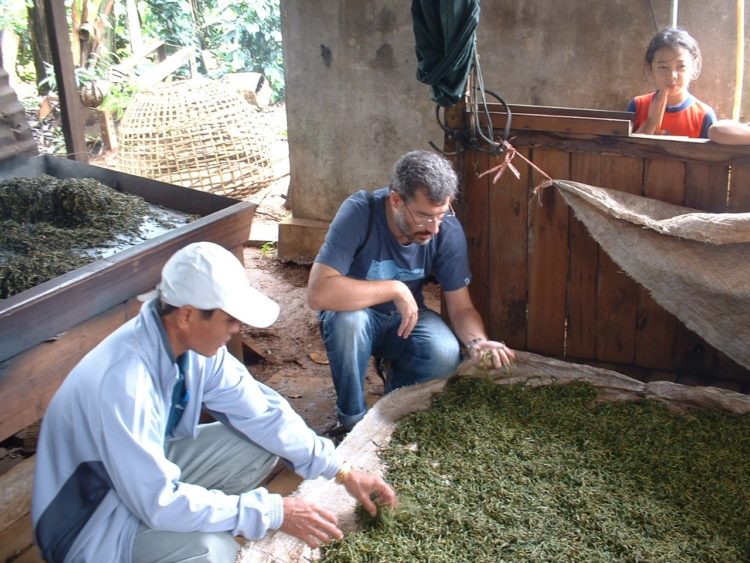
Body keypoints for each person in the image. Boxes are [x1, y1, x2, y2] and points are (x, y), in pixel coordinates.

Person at [32, 241, 396, 563]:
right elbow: (158, 500)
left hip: (133, 478)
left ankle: (185, 524)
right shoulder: (124, 382)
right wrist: (270, 512)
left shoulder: (194, 349)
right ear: (187, 314)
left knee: (258, 443)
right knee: (213, 550)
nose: (236, 330)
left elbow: (263, 415)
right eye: (229, 319)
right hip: (90, 521)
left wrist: (343, 472)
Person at [307, 150, 516, 435]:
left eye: (441, 215)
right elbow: (319, 292)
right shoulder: (361, 212)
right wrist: (395, 288)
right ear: (395, 200)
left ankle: (390, 413)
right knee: (348, 323)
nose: (433, 227)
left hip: (407, 320)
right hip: (357, 318)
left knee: (445, 351)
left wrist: (477, 342)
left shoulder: (445, 230)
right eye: (423, 216)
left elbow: (461, 307)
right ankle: (351, 421)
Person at [627, 27, 716, 138]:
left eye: (681, 66)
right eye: (663, 67)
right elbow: (624, 153)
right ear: (650, 68)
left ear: (694, 66)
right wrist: (650, 124)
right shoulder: (637, 105)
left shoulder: (704, 115)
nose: (672, 75)